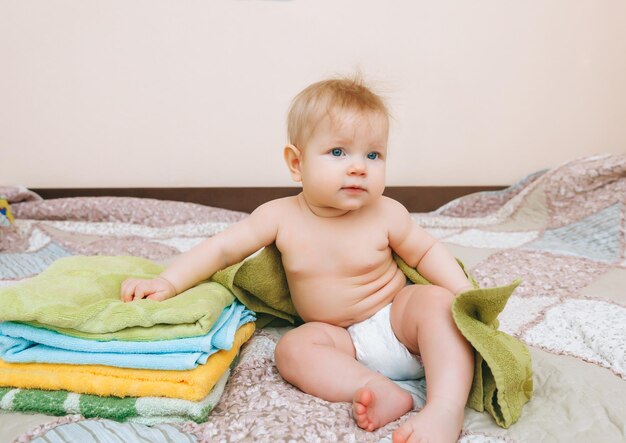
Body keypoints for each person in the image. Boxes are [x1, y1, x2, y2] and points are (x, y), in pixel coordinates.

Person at [120, 76, 475, 443]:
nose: (359, 167)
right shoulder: (279, 216)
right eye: (338, 152)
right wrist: (167, 281)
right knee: (292, 349)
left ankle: (444, 410)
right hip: (341, 342)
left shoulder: (386, 212)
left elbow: (427, 251)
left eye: (373, 154)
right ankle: (375, 388)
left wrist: (464, 291)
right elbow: (223, 249)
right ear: (296, 163)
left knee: (438, 303)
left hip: (398, 321)